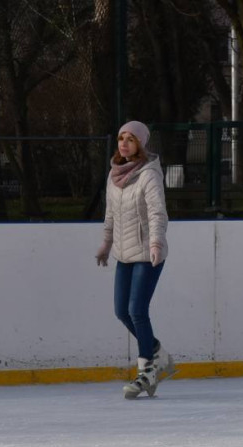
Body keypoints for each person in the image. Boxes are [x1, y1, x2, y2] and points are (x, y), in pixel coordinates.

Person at [95, 120, 177, 399]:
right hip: (124, 253)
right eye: (121, 138)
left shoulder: (149, 175)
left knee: (137, 310)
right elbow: (110, 214)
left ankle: (147, 372)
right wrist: (106, 244)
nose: (124, 143)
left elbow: (157, 213)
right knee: (122, 311)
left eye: (131, 139)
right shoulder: (114, 174)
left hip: (147, 252)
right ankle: (158, 354)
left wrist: (156, 242)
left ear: (140, 144)